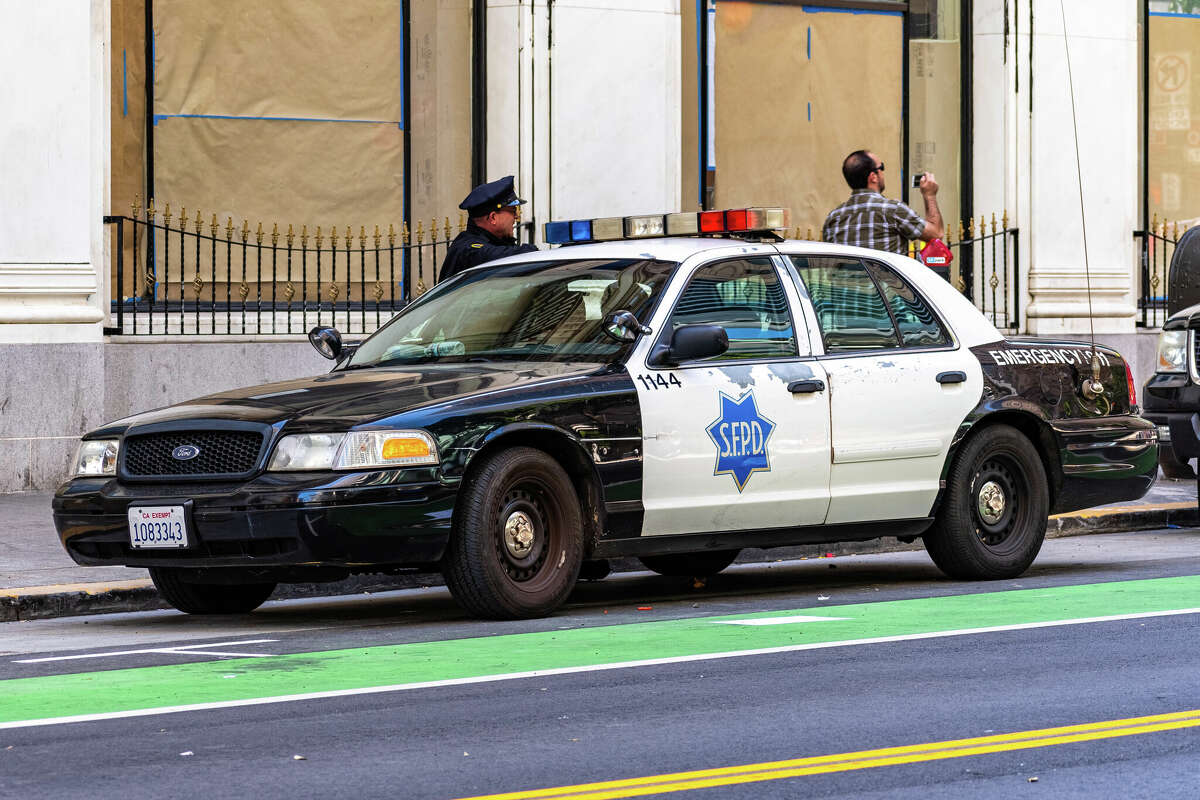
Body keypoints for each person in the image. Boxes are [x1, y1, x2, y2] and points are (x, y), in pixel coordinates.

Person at [822, 150, 944, 255]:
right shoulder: (893, 210)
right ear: (873, 177)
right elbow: (936, 234)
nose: (883, 172)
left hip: (843, 283)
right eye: (882, 168)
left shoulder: (833, 218)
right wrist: (930, 195)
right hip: (884, 283)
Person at [439, 175, 538, 282]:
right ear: (493, 217)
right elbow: (491, 255)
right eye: (513, 211)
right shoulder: (467, 249)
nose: (517, 216)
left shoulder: (495, 242)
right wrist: (532, 252)